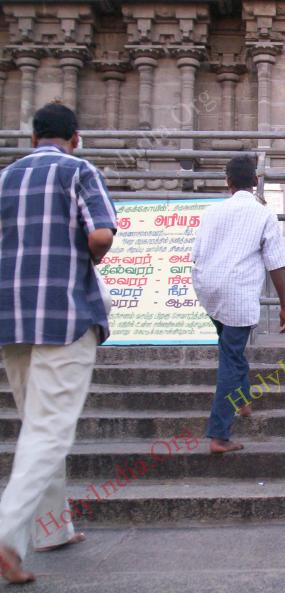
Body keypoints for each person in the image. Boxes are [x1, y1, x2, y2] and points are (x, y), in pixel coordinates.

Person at [0, 103, 117, 583]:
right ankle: (7, 534)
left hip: (10, 319)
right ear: (75, 136)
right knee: (50, 430)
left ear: (33, 139)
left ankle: (51, 529)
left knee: (36, 425)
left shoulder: (5, 178)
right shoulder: (78, 170)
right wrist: (90, 254)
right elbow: (101, 235)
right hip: (64, 313)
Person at [192, 155, 285, 454]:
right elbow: (276, 264)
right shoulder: (264, 215)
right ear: (255, 182)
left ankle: (243, 399)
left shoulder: (211, 211)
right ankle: (219, 434)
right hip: (236, 291)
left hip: (207, 287)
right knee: (230, 356)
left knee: (230, 348)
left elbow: (196, 253)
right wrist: (284, 305)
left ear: (228, 182)